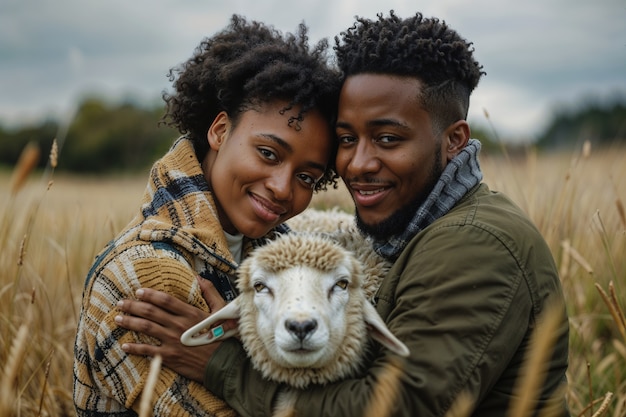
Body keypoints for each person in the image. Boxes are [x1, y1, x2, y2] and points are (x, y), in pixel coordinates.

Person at [115, 11, 571, 416]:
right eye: (348, 139)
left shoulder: (477, 243)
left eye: (388, 138)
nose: (357, 163)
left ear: (453, 140)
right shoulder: (410, 237)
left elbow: (396, 406)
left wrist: (222, 367)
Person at [72, 14, 341, 416]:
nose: (284, 188)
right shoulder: (143, 274)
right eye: (268, 153)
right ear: (219, 130)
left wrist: (233, 355)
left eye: (306, 176)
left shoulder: (292, 264)